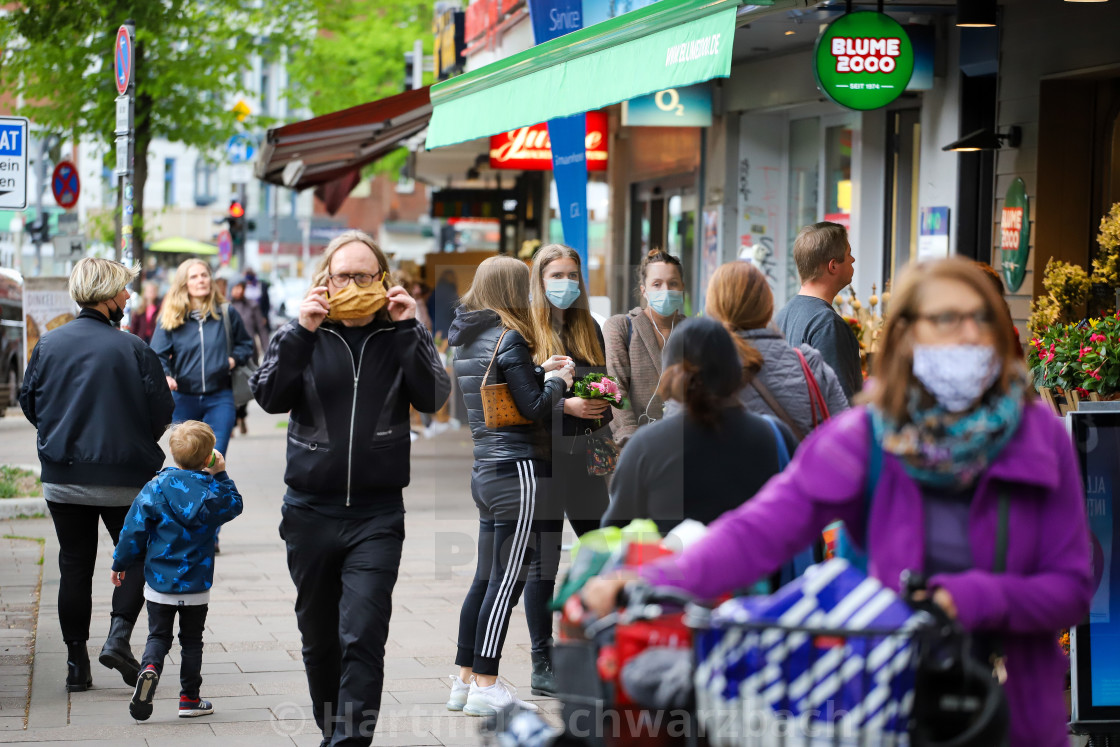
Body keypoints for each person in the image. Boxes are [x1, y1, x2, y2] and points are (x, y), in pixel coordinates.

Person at [585, 257, 1093, 747]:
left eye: (981, 318)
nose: (968, 334)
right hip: (880, 705)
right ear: (907, 336)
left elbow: (1072, 587)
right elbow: (761, 530)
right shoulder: (867, 437)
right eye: (946, 318)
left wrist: (969, 599)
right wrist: (652, 580)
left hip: (1014, 717)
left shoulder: (1040, 438)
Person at [251, 230, 450, 747]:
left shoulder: (402, 332)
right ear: (327, 279)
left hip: (377, 514)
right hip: (310, 511)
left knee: (363, 635)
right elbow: (269, 397)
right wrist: (301, 331)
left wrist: (411, 328)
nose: (355, 283)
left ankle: (348, 742)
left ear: (383, 280)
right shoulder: (300, 333)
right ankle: (331, 731)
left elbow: (432, 397)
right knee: (319, 642)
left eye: (365, 275)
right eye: (345, 275)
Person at [18, 257, 175, 692]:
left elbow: (30, 404)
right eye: (124, 289)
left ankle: (75, 665)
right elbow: (163, 411)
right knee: (137, 558)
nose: (128, 296)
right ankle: (119, 637)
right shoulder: (134, 348)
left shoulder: (48, 345)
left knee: (74, 566)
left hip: (64, 478)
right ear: (107, 297)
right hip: (126, 480)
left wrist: (61, 435)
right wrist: (133, 438)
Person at [446, 255, 574, 716]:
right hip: (518, 470)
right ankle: (486, 682)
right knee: (508, 582)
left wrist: (541, 372)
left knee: (484, 578)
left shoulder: (468, 337)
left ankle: (464, 679)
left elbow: (507, 393)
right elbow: (536, 407)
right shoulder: (510, 337)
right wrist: (558, 380)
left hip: (486, 469)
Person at [601, 317, 797, 534]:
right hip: (762, 567)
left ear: (670, 374)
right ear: (736, 371)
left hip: (672, 567)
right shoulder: (776, 437)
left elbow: (612, 533)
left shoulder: (646, 446)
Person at [521, 244, 612, 696]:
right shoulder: (524, 333)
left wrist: (601, 401)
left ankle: (594, 649)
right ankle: (543, 661)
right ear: (539, 281)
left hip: (588, 458)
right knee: (543, 564)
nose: (566, 283)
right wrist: (566, 403)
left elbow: (607, 391)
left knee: (599, 551)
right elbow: (524, 406)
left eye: (572, 275)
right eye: (556, 275)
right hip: (543, 460)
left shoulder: (589, 327)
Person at [110, 420, 243, 721]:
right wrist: (220, 472)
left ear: (172, 453)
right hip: (196, 584)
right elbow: (235, 505)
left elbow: (133, 531)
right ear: (209, 456)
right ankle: (189, 699)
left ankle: (149, 669)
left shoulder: (155, 487)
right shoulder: (213, 492)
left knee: (158, 637)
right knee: (192, 641)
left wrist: (120, 564)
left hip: (159, 583)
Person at [706, 261, 849, 438]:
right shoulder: (811, 366)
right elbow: (847, 438)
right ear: (768, 306)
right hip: (797, 466)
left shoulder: (699, 375)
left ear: (712, 308)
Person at [150, 259, 254, 457]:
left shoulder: (226, 312)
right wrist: (165, 375)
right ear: (184, 283)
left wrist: (231, 361)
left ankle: (215, 487)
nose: (201, 280)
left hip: (220, 397)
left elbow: (246, 345)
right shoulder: (171, 317)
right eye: (194, 277)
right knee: (188, 461)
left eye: (204, 275)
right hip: (183, 399)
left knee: (214, 460)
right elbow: (156, 355)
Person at [604, 249, 686, 447]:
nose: (665, 290)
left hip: (683, 446)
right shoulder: (621, 327)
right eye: (656, 284)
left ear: (682, 287)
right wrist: (630, 438)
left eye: (672, 283)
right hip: (635, 447)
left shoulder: (692, 331)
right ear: (644, 290)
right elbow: (615, 388)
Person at [774, 222, 863, 403]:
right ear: (833, 266)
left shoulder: (782, 316)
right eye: (848, 254)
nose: (853, 260)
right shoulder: (828, 324)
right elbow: (839, 405)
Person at [229, 277, 270, 436]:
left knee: (246, 384)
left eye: (241, 288)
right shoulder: (226, 306)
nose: (238, 291)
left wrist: (267, 350)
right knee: (231, 386)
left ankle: (242, 416)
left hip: (250, 351)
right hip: (230, 352)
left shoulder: (253, 306)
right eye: (236, 288)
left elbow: (261, 329)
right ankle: (232, 422)